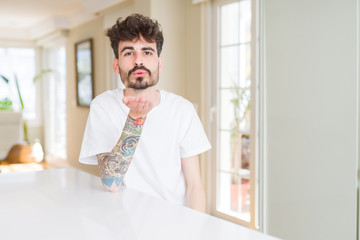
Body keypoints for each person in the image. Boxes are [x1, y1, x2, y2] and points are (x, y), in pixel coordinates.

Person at [79, 13, 211, 213]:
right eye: (129, 53)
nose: (138, 61)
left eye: (147, 52)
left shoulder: (182, 110)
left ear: (159, 63)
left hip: (174, 222)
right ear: (116, 65)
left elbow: (195, 186)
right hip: (122, 224)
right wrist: (135, 118)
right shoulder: (103, 106)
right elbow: (110, 181)